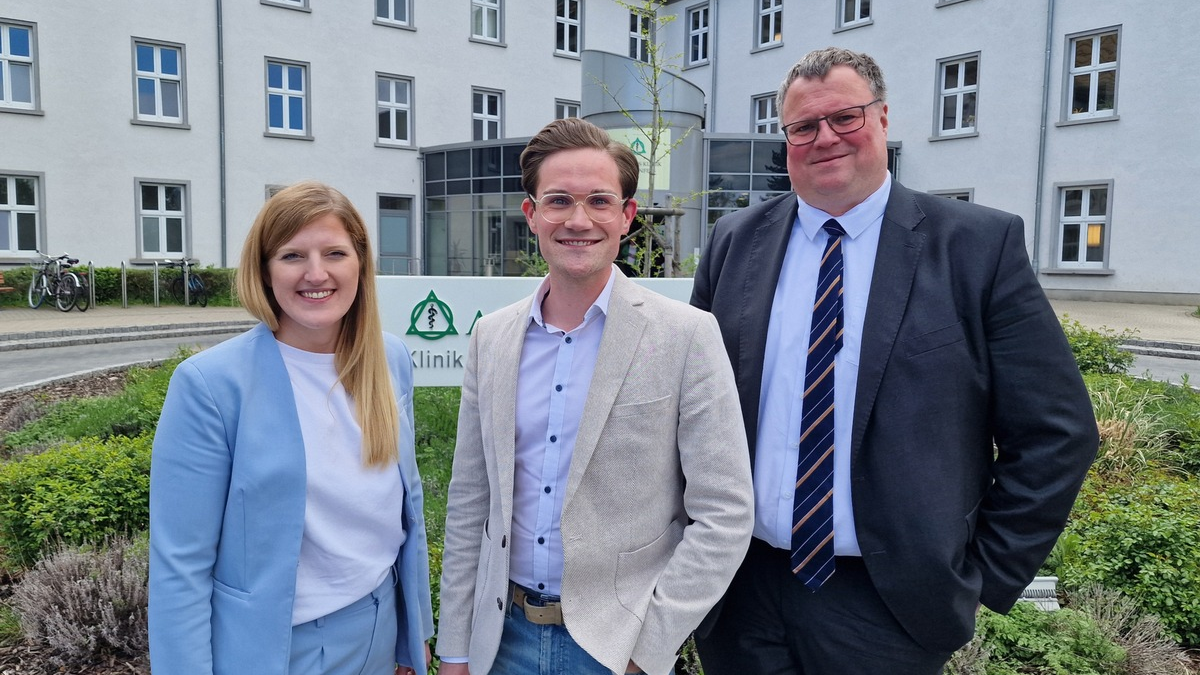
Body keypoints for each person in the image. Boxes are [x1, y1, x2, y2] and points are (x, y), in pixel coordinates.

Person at [691, 47, 1098, 675]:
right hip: (741, 593)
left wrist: (980, 574)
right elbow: (692, 410)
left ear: (882, 119)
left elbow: (1056, 431)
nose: (824, 138)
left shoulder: (976, 247)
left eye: (845, 118)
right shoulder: (733, 241)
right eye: (803, 126)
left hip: (887, 607)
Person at [435, 118, 754, 675]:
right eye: (558, 200)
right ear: (531, 213)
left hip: (616, 648)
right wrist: (457, 649)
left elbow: (725, 512)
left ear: (626, 216)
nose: (578, 220)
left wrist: (645, 651)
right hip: (501, 643)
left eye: (599, 201)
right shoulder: (492, 337)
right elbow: (470, 504)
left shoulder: (685, 336)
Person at [149, 181, 434, 675]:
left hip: (380, 625)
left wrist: (414, 634)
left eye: (335, 253)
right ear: (264, 270)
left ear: (360, 264)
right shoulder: (211, 385)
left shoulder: (390, 359)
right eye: (292, 255)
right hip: (279, 648)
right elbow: (180, 565)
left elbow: (403, 510)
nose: (316, 273)